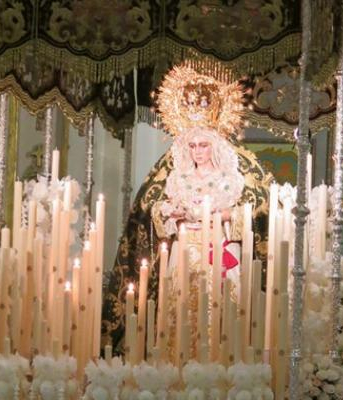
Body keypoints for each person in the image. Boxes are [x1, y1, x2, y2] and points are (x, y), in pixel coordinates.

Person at [100, 65, 272, 357]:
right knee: (179, 311)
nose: (198, 151)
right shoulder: (177, 176)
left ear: (214, 145)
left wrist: (225, 216)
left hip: (219, 251)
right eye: (192, 145)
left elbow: (250, 216)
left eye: (203, 145)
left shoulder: (230, 177)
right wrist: (170, 213)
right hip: (182, 255)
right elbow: (156, 214)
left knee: (219, 313)